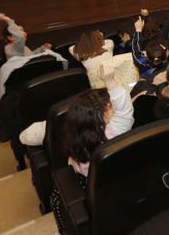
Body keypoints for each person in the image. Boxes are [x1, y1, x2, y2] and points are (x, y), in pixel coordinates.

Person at [50, 63, 134, 232]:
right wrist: (110, 81)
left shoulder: (74, 136)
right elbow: (124, 108)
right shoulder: (115, 132)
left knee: (56, 196)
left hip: (89, 186)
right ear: (103, 114)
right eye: (109, 106)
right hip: (118, 182)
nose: (112, 106)